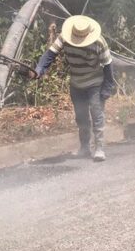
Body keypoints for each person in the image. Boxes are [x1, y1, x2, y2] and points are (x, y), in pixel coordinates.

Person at [34, 15, 115, 162]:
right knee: (81, 117)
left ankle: (99, 147)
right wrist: (39, 69)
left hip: (94, 83)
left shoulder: (99, 42)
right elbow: (50, 54)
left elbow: (108, 66)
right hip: (76, 83)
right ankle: (84, 147)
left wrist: (107, 89)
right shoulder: (65, 37)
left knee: (97, 114)